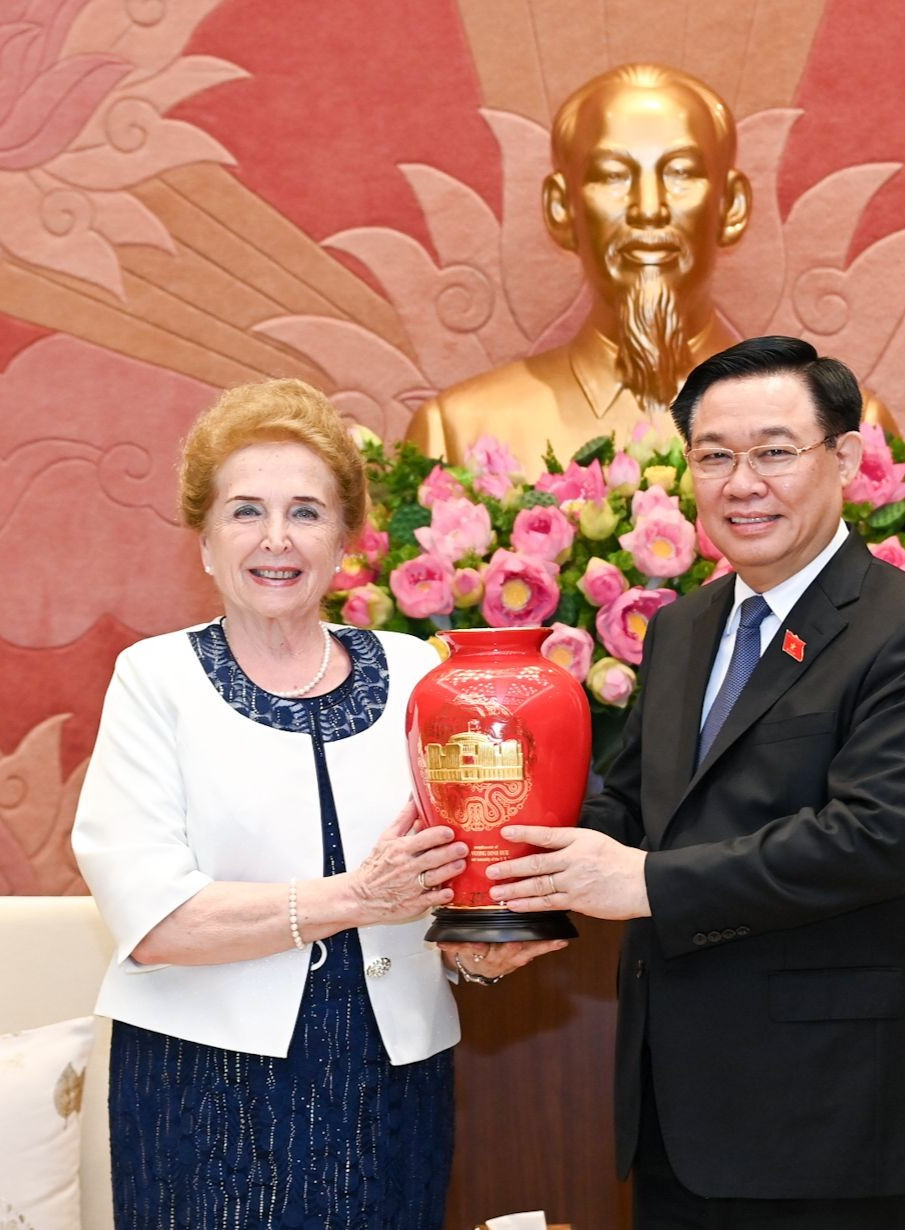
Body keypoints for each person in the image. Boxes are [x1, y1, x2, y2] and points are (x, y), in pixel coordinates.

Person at [488, 336, 905, 1228]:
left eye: (772, 452)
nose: (740, 482)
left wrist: (640, 883)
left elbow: (875, 842)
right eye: (713, 456)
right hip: (678, 1116)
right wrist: (496, 866)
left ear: (842, 458)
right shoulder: (684, 627)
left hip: (840, 1124)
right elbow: (632, 807)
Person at [72, 378, 563, 1229]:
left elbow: (446, 877)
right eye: (244, 511)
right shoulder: (156, 680)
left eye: (305, 511)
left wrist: (473, 951)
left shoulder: (418, 672)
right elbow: (155, 922)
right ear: (204, 541)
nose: (275, 539)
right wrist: (353, 899)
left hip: (391, 1076)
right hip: (204, 1082)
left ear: (344, 541)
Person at [406, 64, 895, 467]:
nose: (648, 209)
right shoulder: (457, 433)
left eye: (681, 173)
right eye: (613, 176)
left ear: (732, 207)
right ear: (561, 209)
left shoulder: (845, 427)